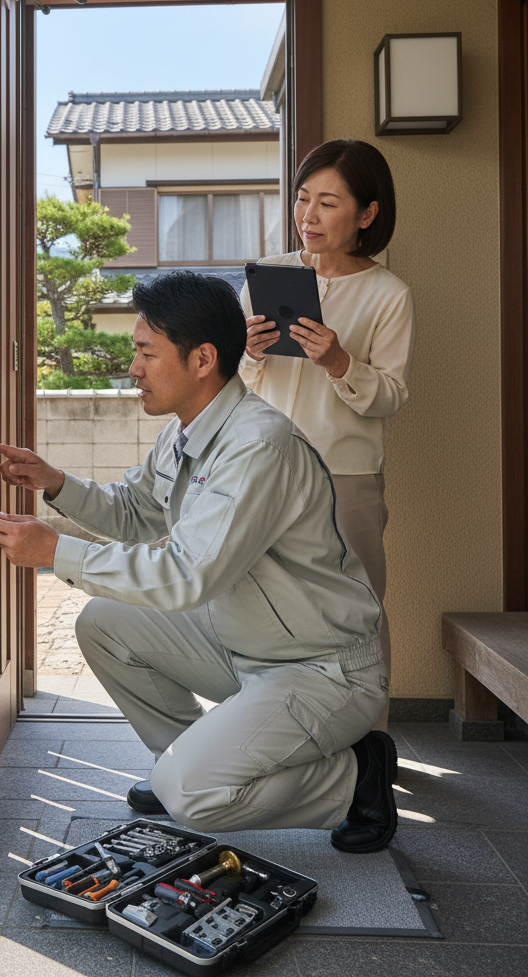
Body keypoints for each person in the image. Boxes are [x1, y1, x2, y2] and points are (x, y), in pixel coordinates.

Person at [0, 270, 398, 853]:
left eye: (147, 353)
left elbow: (186, 575)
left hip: (323, 669)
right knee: (103, 623)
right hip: (248, 645)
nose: (134, 369)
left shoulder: (256, 445)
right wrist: (54, 484)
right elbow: (134, 511)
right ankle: (188, 760)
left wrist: (55, 551)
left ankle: (355, 780)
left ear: (203, 359)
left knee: (192, 795)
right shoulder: (187, 433)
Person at [241, 139, 414, 731]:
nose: (308, 216)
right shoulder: (271, 277)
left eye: (328, 203)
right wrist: (249, 352)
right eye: (302, 199)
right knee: (260, 602)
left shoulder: (389, 294)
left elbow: (391, 396)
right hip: (265, 470)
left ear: (366, 214)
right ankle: (274, 731)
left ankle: (372, 749)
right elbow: (237, 385)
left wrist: (341, 363)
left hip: (346, 478)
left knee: (358, 609)